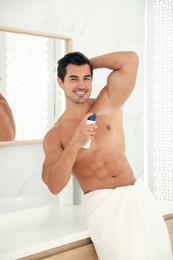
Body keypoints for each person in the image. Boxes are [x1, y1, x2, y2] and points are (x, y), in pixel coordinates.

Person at [42, 51, 172, 259]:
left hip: (137, 195)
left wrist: (87, 64)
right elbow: (54, 185)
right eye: (73, 78)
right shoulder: (55, 135)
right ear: (60, 82)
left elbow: (130, 59)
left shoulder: (108, 102)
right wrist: (76, 142)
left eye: (86, 78)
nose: (81, 85)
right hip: (105, 207)